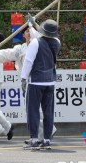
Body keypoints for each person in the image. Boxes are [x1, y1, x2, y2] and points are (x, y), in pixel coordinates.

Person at [21, 19, 61, 150]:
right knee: (48, 112)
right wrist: (34, 24)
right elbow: (43, 35)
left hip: (36, 81)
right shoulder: (57, 42)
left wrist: (23, 78)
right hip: (50, 80)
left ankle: (34, 139)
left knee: (33, 111)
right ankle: (46, 139)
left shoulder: (35, 42)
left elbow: (28, 61)